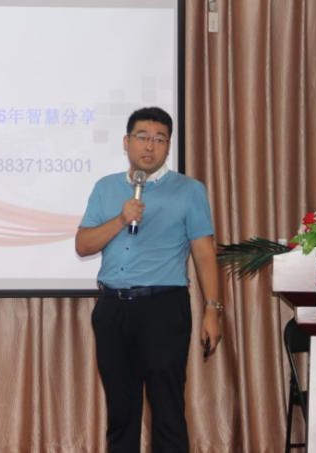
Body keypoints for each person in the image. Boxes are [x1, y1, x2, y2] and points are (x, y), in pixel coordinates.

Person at [75, 106, 222, 453]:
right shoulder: (105, 187)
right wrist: (120, 219)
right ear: (127, 141)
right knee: (121, 413)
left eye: (159, 139)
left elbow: (204, 253)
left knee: (168, 410)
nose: (150, 145)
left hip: (163, 308)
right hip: (113, 307)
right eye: (142, 137)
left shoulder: (189, 190)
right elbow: (83, 245)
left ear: (168, 147)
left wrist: (212, 309)